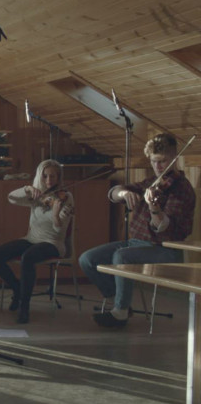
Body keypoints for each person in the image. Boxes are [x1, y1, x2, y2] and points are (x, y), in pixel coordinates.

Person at [79, 133, 195, 328]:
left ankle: (120, 313)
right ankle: (120, 301)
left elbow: (166, 229)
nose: (158, 167)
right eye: (154, 161)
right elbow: (113, 193)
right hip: (136, 243)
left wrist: (154, 209)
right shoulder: (150, 183)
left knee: (122, 257)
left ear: (174, 159)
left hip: (164, 249)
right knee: (87, 259)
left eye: (163, 161)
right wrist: (123, 193)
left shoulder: (181, 189)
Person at [0, 159, 74, 324]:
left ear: (59, 177)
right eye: (45, 176)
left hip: (53, 244)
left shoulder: (66, 197)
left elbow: (58, 231)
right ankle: (17, 288)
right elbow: (11, 198)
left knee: (28, 257)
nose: (49, 181)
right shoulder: (36, 195)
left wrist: (56, 214)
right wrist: (27, 189)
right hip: (31, 239)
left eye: (53, 176)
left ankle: (24, 305)